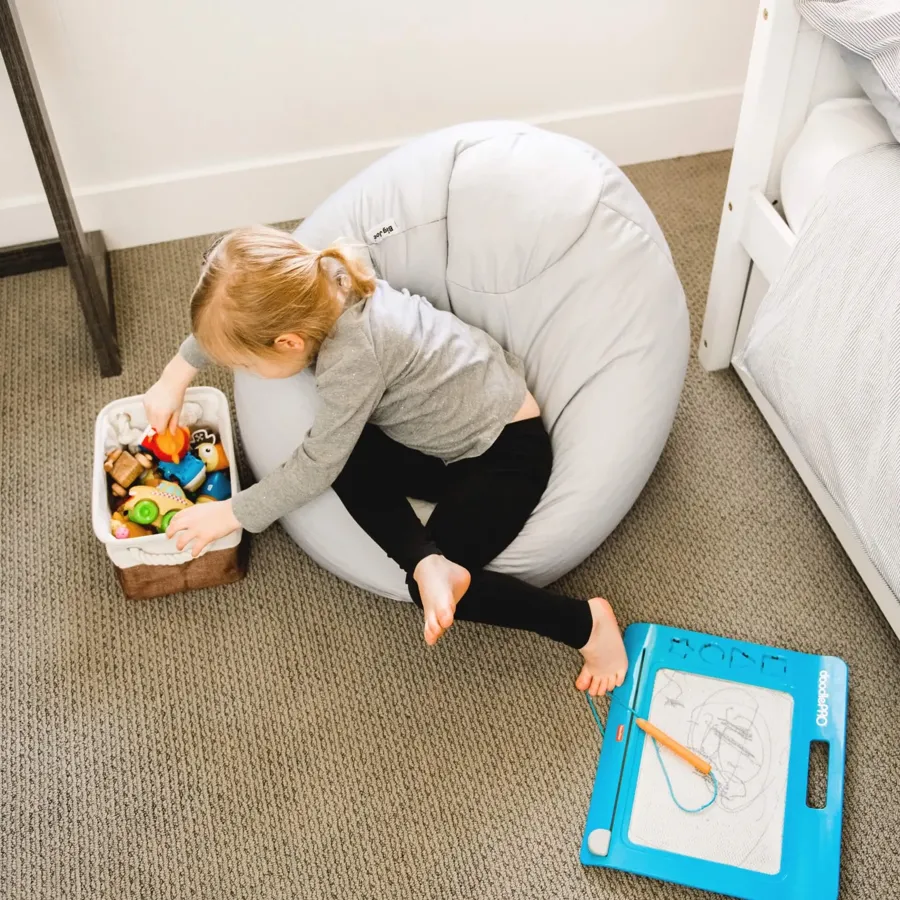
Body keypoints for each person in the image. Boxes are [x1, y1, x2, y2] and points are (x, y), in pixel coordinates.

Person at [144, 225, 628, 696]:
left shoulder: (353, 357)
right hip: (447, 428)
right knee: (345, 457)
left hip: (502, 454)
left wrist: (231, 513)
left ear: (289, 342)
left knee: (435, 586)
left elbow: (315, 466)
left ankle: (585, 625)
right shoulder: (322, 274)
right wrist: (177, 372)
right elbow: (238, 313)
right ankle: (426, 562)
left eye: (246, 366)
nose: (245, 373)